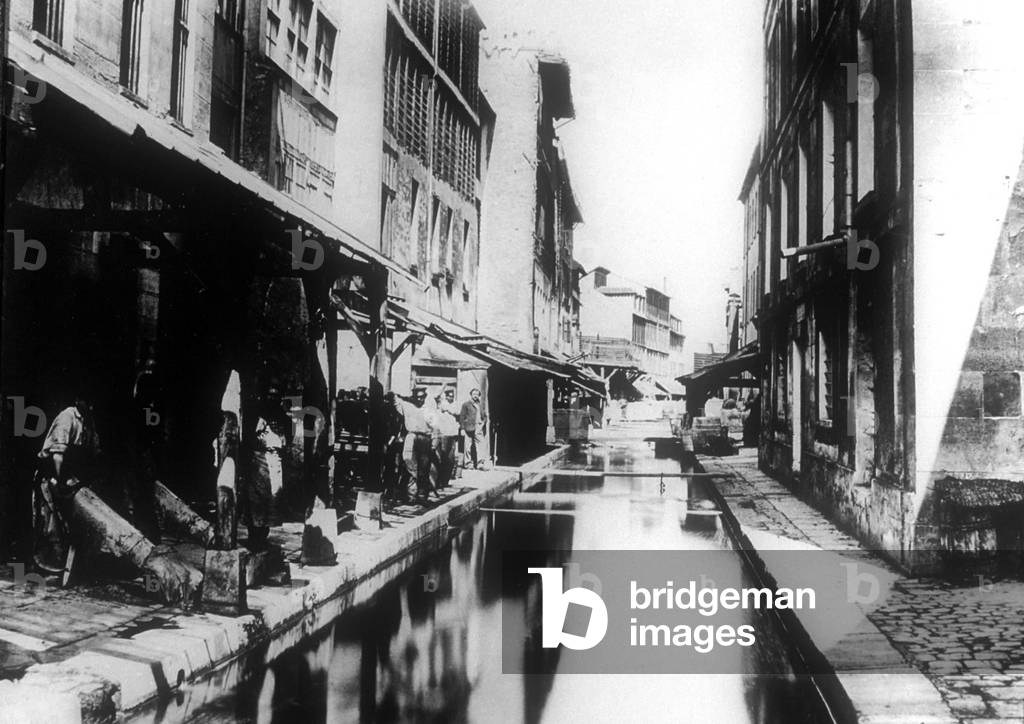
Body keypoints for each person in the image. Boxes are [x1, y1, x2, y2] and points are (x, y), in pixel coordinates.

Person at [32, 394, 101, 573]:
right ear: (78, 401)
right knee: (51, 523)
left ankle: (71, 564)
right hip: (52, 473)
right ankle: (46, 564)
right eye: (87, 403)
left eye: (92, 404)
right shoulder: (67, 417)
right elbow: (57, 456)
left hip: (72, 475)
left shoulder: (88, 421)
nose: (90, 407)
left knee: (72, 524)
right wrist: (60, 481)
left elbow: (93, 451)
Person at [402, 387, 434, 501]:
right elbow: (394, 399)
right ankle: (411, 495)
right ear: (413, 397)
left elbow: (435, 425)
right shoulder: (407, 406)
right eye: (417, 397)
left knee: (424, 469)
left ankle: (422, 496)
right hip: (411, 436)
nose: (420, 399)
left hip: (425, 438)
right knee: (410, 466)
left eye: (422, 397)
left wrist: (434, 442)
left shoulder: (429, 409)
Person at [433, 387, 460, 488]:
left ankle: (445, 481)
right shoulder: (441, 403)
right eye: (449, 396)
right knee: (442, 458)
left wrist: (448, 409)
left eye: (452, 396)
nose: (450, 398)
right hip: (443, 434)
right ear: (446, 396)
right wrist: (442, 387)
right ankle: (439, 481)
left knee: (451, 459)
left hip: (452, 434)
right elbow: (436, 397)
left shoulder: (455, 404)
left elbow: (458, 412)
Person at [458, 388, 487, 470]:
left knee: (481, 445)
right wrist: (462, 428)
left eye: (477, 394)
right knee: (468, 446)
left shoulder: (480, 405)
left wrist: (483, 423)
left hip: (478, 428)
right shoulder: (466, 404)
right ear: (471, 395)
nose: (475, 396)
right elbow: (462, 417)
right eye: (474, 394)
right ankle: (468, 464)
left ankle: (480, 464)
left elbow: (484, 415)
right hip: (468, 428)